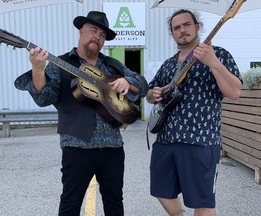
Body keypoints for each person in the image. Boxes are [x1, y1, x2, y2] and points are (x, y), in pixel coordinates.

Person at [14, 11, 148, 216]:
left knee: (115, 203)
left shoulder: (111, 65)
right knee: (70, 204)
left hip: (112, 148)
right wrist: (38, 70)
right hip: (77, 147)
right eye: (93, 30)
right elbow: (44, 98)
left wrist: (127, 82)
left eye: (102, 34)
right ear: (81, 31)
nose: (98, 36)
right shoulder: (60, 62)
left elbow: (143, 85)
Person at [146, 9, 242, 216]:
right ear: (172, 33)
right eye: (176, 28)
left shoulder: (219, 54)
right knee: (161, 191)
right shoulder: (169, 64)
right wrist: (153, 94)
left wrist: (213, 62)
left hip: (200, 141)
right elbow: (149, 92)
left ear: (197, 26)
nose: (182, 30)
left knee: (203, 202)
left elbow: (234, 91)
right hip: (166, 139)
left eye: (186, 25)